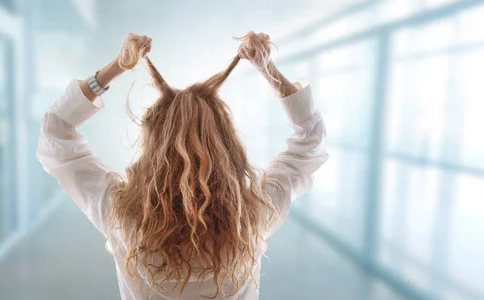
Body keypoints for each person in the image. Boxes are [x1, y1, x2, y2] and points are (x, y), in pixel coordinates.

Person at [36, 32, 328, 300]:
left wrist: (117, 67)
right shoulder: (251, 218)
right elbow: (310, 139)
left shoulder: (122, 218)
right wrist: (268, 68)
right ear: (228, 147)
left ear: (153, 146)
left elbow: (57, 131)